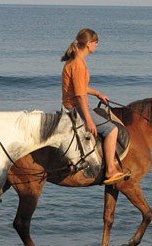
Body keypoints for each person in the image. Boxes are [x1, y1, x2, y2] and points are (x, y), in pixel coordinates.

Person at [61, 28, 130, 185]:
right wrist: (89, 120)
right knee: (112, 130)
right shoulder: (78, 63)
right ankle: (110, 170)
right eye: (96, 43)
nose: (97, 46)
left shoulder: (75, 60)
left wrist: (97, 93)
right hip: (75, 109)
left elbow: (80, 87)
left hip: (72, 106)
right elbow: (79, 95)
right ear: (89, 44)